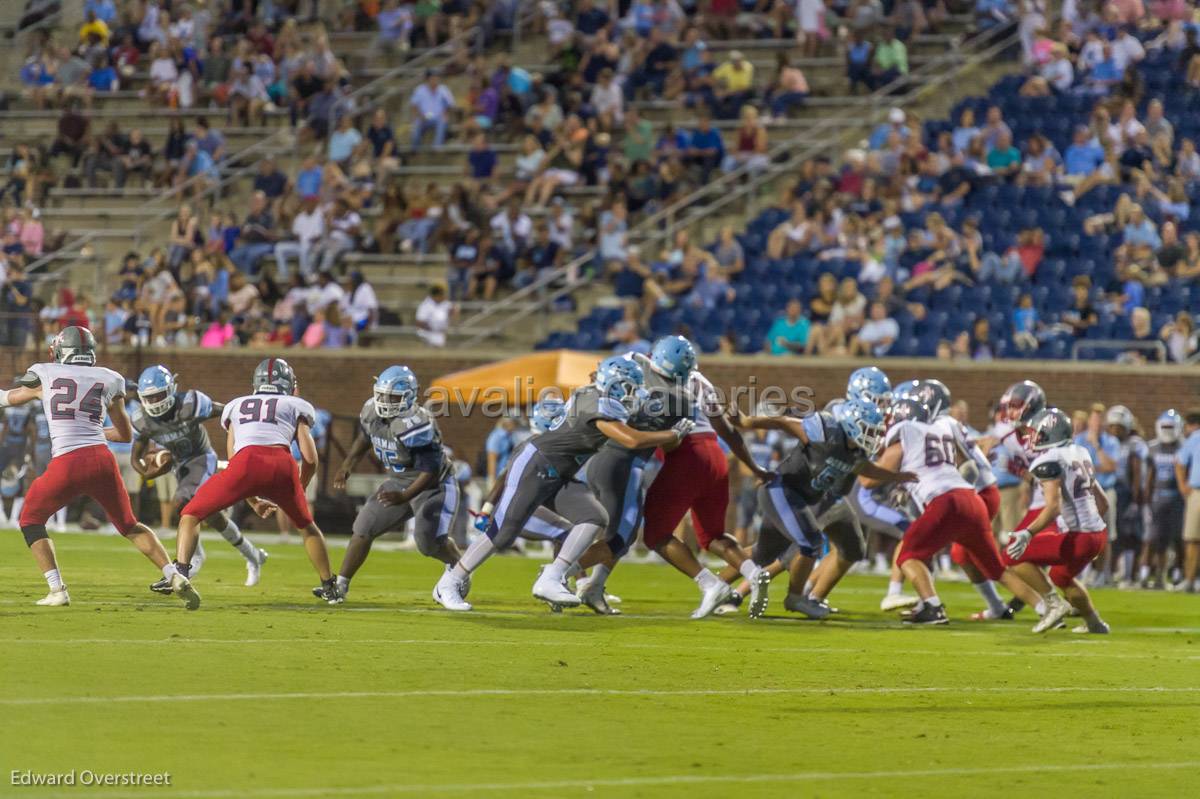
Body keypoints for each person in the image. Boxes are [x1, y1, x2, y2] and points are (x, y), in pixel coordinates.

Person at [434, 356, 693, 611]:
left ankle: (552, 576)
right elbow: (631, 440)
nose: (631, 394)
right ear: (613, 383)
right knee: (504, 532)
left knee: (593, 517)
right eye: (628, 387)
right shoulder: (597, 402)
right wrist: (673, 433)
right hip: (538, 462)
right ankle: (450, 581)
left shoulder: (597, 395)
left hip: (562, 473)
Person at [1, 327, 180, 606]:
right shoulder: (110, 378)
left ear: (61, 351)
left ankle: (57, 589)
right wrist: (92, 433)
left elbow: (8, 398)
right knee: (129, 524)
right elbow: (124, 434)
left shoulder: (45, 373)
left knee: (31, 519)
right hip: (101, 459)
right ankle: (174, 575)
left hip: (68, 461)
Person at [866, 394, 1071, 629]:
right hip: (971, 498)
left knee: (908, 556)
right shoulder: (944, 427)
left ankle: (932, 606)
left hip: (945, 501)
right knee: (994, 568)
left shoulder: (905, 433)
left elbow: (867, 481)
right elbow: (966, 462)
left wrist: (864, 464)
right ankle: (1047, 608)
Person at [168, 359, 342, 609]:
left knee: (191, 513)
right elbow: (310, 458)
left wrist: (252, 500)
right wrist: (299, 487)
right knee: (307, 527)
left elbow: (235, 458)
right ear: (287, 384)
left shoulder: (236, 405)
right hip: (282, 465)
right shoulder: (296, 405)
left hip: (245, 463)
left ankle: (181, 572)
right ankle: (330, 587)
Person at [732, 396, 916, 618]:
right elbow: (784, 422)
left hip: (820, 496)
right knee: (796, 548)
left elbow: (867, 469)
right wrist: (746, 422)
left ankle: (736, 590)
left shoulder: (856, 450)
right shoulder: (827, 429)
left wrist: (897, 476)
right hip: (792, 492)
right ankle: (776, 595)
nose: (873, 436)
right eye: (868, 429)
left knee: (774, 550)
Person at [329, 367, 462, 602]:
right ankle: (340, 587)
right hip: (399, 482)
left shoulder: (415, 423)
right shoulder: (372, 411)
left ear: (409, 396)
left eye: (393, 397)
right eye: (382, 395)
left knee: (428, 544)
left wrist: (404, 496)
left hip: (434, 486)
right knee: (364, 527)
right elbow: (365, 436)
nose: (385, 401)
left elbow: (429, 472)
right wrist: (348, 464)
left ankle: (458, 569)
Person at [131, 365, 267, 592]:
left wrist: (242, 442)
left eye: (159, 395)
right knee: (214, 518)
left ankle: (188, 565)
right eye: (149, 397)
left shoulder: (190, 404)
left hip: (201, 458)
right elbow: (137, 457)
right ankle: (253, 555)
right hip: (179, 465)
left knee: (184, 504)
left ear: (171, 390)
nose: (154, 401)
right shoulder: (142, 419)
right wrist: (148, 472)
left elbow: (229, 413)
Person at [1001, 408, 1112, 634]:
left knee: (1013, 554)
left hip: (1081, 535)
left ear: (1049, 433)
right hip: (1098, 534)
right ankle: (1095, 623)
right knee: (1060, 575)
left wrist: (1028, 533)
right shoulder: (1080, 451)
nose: (1032, 437)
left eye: (1036, 432)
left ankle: (1053, 604)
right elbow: (1103, 503)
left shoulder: (1049, 459)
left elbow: (1052, 507)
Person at [1142, 410, 1184, 589]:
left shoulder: (1184, 447)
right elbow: (1150, 477)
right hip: (1158, 499)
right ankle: (1152, 572)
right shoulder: (1152, 447)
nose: (1167, 430)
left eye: (1170, 427)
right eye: (1165, 427)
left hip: (1177, 499)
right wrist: (1147, 499)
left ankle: (1176, 572)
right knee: (1154, 538)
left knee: (1177, 538)